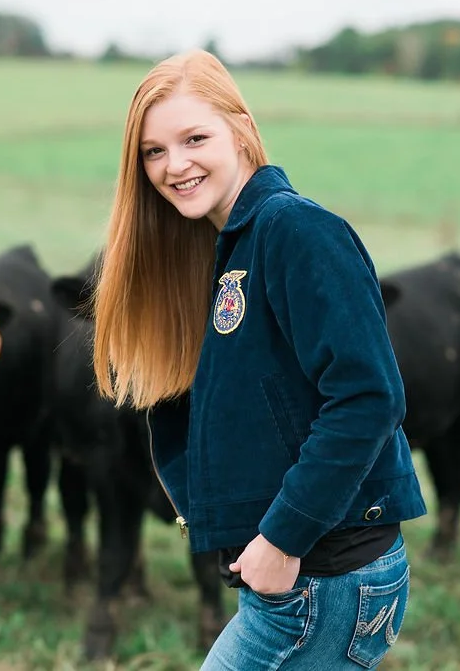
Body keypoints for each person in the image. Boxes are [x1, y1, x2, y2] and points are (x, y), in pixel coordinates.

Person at [90, 49, 428, 670]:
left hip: (326, 574)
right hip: (291, 579)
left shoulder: (296, 231)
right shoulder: (218, 250)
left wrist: (282, 535)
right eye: (154, 152)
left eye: (195, 138)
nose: (175, 165)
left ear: (241, 127)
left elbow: (368, 396)